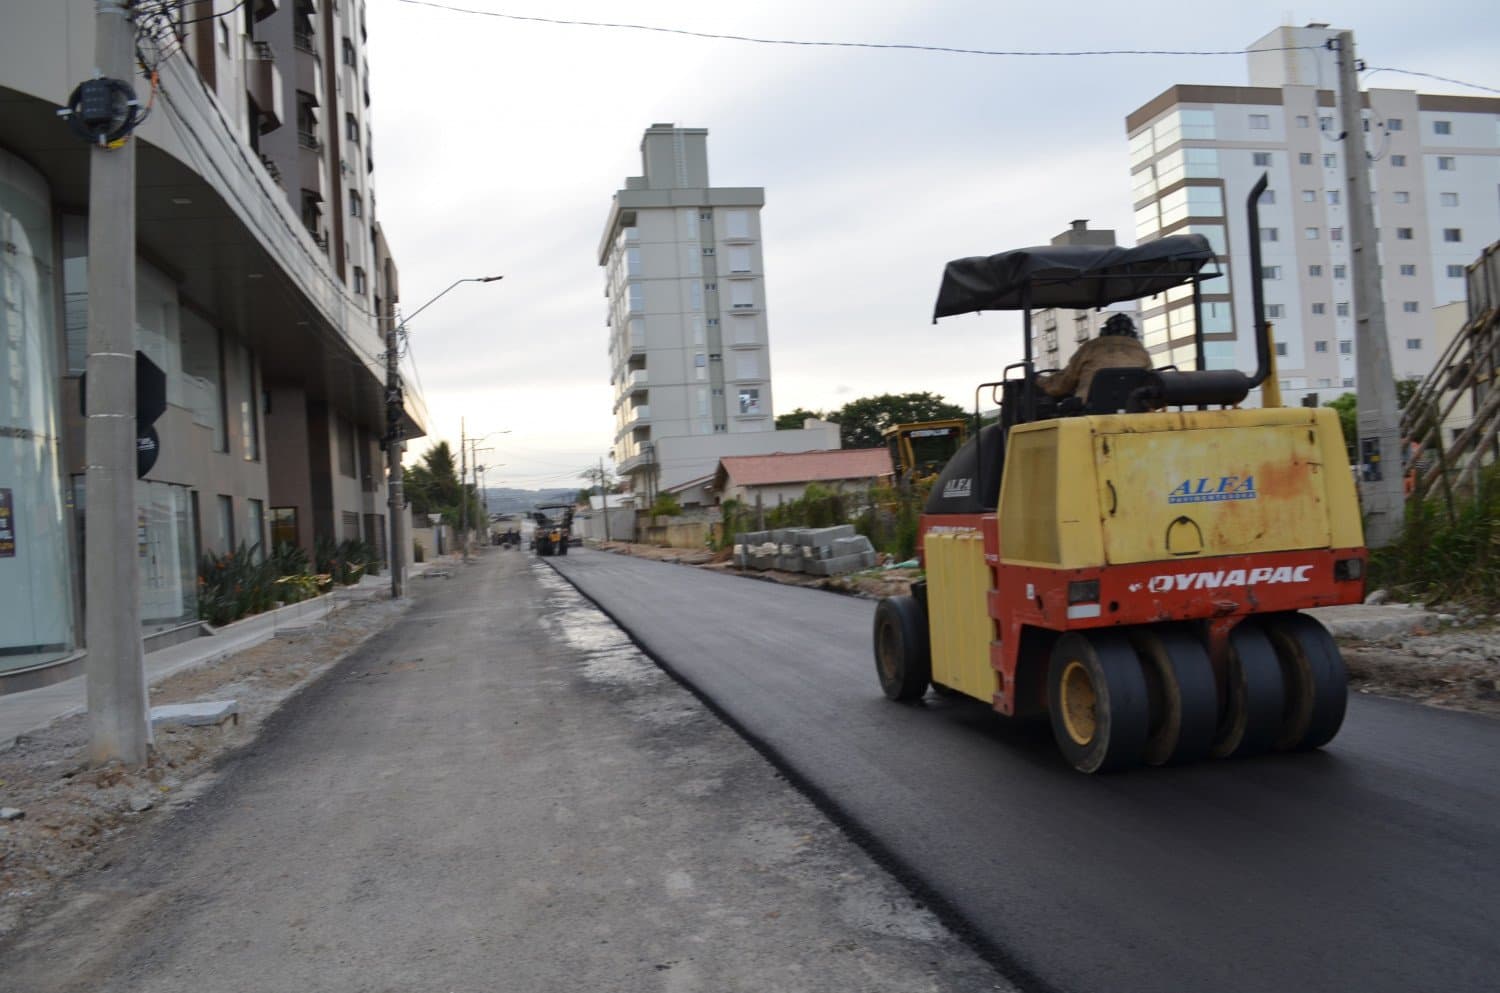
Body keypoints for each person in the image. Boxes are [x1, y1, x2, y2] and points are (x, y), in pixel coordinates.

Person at [1038, 312, 1153, 401]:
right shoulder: (1143, 353)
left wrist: (1040, 381)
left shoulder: (1090, 348)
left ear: (1104, 331)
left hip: (1090, 412)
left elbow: (1062, 383)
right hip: (1135, 411)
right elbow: (1151, 384)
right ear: (1133, 332)